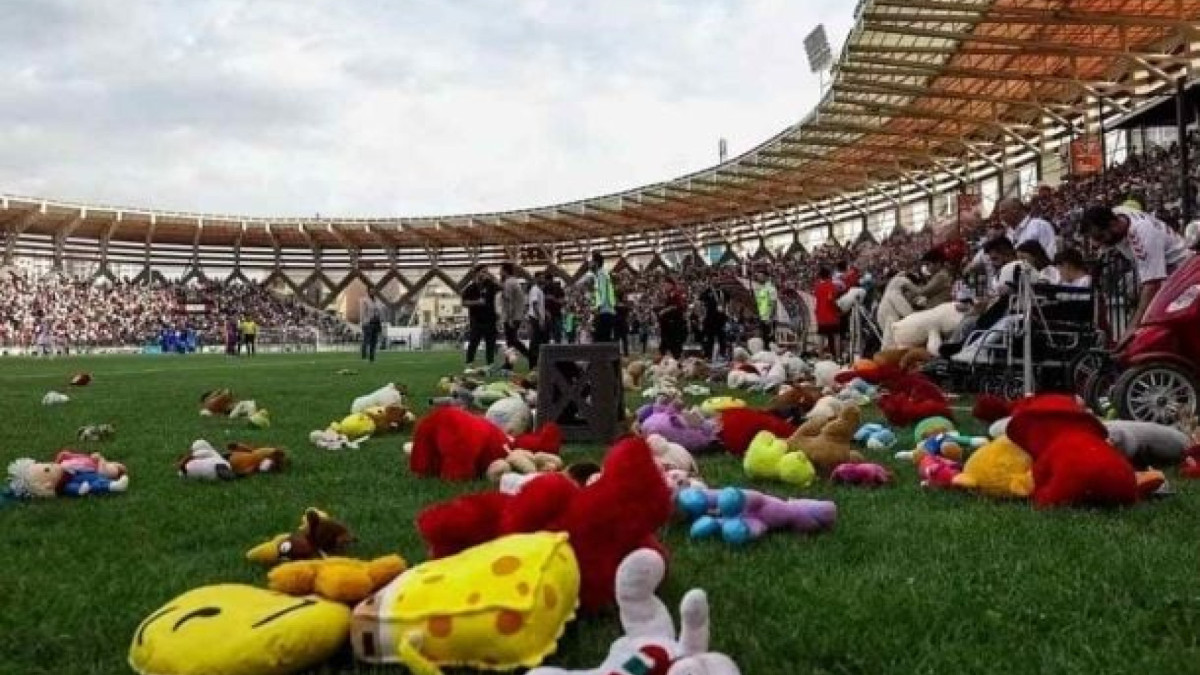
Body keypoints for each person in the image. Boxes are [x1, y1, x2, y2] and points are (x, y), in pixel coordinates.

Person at [1082, 204, 1194, 334]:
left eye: (1100, 237)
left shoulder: (1142, 236)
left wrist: (1133, 327)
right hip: (1165, 271)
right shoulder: (1118, 213)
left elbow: (1152, 284)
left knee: (1156, 322)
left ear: (1113, 225)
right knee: (1131, 288)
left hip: (1182, 275)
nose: (1098, 243)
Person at [461, 266, 500, 369]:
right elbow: (464, 302)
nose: (485, 274)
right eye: (483, 272)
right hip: (476, 320)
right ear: (476, 273)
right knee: (473, 342)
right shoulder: (471, 288)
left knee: (490, 343)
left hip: (491, 319)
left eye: (487, 272)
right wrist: (476, 302)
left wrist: (492, 276)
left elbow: (501, 287)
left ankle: (490, 364)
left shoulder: (490, 285)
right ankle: (469, 364)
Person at [576, 252, 617, 342]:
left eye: (591, 261)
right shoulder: (600, 274)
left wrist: (596, 308)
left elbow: (602, 293)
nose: (589, 264)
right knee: (603, 340)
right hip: (605, 312)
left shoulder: (601, 275)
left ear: (596, 263)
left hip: (603, 312)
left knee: (601, 341)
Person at [500, 262, 531, 368]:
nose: (499, 272)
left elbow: (509, 301)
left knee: (512, 340)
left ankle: (531, 356)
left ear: (505, 271)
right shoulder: (514, 282)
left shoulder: (509, 283)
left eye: (501, 270)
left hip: (511, 317)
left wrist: (509, 318)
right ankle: (509, 363)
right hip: (516, 316)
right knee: (511, 341)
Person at [813, 267, 841, 357]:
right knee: (836, 335)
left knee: (821, 336)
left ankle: (820, 358)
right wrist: (837, 309)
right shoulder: (832, 286)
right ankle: (837, 356)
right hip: (831, 315)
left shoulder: (817, 287)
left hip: (821, 315)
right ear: (829, 275)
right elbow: (831, 299)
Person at [657, 276, 687, 359]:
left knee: (674, 345)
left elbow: (676, 306)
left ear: (670, 284)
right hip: (668, 324)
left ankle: (676, 359)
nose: (664, 286)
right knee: (665, 344)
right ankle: (662, 357)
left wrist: (664, 311)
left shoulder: (674, 293)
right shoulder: (669, 294)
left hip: (674, 323)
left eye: (665, 284)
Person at [699, 280, 728, 361]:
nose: (716, 280)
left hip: (721, 319)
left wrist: (728, 313)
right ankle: (708, 356)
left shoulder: (724, 292)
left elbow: (729, 303)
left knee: (722, 337)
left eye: (717, 278)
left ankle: (723, 354)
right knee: (710, 338)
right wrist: (702, 315)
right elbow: (700, 301)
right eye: (714, 278)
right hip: (710, 319)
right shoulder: (708, 291)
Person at [524, 272, 548, 369]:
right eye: (541, 278)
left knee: (538, 342)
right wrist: (540, 319)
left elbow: (539, 305)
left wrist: (545, 313)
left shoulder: (539, 290)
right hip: (535, 318)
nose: (543, 279)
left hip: (537, 318)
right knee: (535, 343)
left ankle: (537, 364)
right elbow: (534, 305)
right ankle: (532, 365)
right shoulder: (535, 289)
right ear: (536, 278)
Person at [359, 288, 385, 362]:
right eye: (371, 291)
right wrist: (363, 322)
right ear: (368, 292)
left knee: (374, 341)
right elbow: (362, 312)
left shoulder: (377, 301)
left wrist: (381, 319)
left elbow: (380, 310)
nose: (373, 292)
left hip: (376, 323)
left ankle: (372, 358)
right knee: (366, 340)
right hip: (368, 323)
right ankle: (363, 357)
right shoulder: (364, 300)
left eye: (374, 291)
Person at [753, 271, 778, 349]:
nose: (759, 278)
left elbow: (774, 303)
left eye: (761, 276)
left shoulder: (771, 288)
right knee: (764, 339)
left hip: (769, 318)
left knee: (770, 339)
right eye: (758, 276)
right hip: (762, 317)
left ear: (766, 277)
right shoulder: (761, 288)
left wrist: (771, 318)